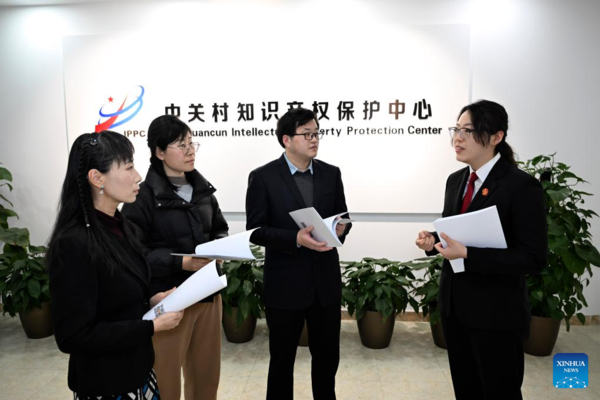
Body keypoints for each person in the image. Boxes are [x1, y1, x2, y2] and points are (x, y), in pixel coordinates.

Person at [415, 100, 547, 400]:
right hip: (455, 310)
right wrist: (433, 241)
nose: (457, 138)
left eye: (468, 131)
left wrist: (468, 255)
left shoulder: (521, 186)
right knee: (466, 390)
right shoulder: (456, 181)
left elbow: (533, 257)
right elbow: (461, 231)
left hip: (497, 315)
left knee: (499, 391)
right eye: (456, 129)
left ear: (496, 137)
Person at [47, 131, 184, 400]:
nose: (138, 177)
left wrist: (152, 299)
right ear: (97, 178)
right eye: (129, 167)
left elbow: (115, 298)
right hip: (106, 383)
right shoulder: (74, 242)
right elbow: (74, 335)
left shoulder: (122, 226)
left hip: (139, 371)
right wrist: (150, 327)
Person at [245, 107, 351, 400]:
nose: (314, 139)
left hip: (325, 283)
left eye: (316, 133)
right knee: (281, 361)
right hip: (285, 284)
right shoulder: (263, 177)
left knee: (328, 359)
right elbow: (255, 230)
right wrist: (295, 238)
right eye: (307, 134)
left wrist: (341, 228)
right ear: (286, 140)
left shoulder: (331, 173)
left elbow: (343, 216)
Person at [122, 115, 228, 400]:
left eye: (192, 143)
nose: (190, 150)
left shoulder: (204, 191)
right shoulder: (141, 197)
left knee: (206, 375)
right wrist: (180, 262)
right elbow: (134, 252)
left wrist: (220, 248)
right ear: (159, 152)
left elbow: (219, 228)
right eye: (182, 144)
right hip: (169, 297)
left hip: (207, 293)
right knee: (167, 378)